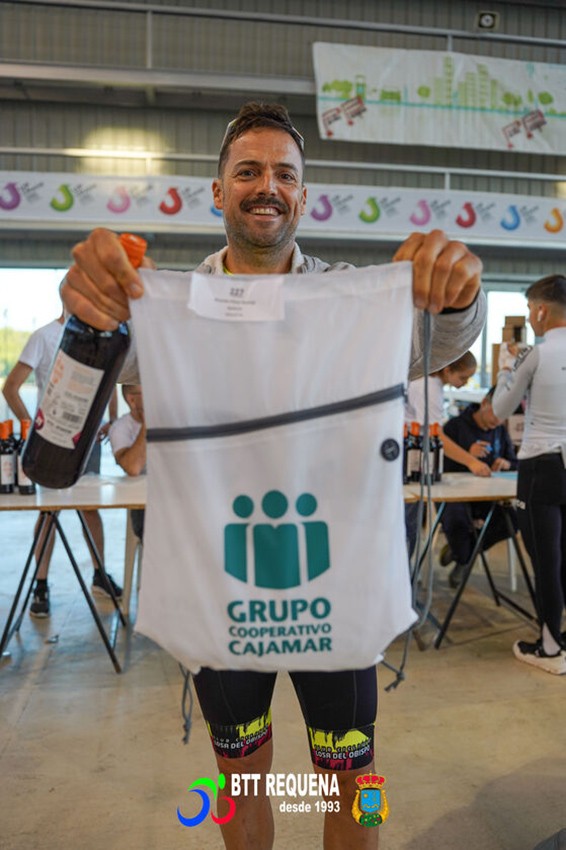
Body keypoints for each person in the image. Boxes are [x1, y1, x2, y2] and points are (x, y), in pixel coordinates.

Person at [61, 102, 486, 849]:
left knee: (358, 778)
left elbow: (444, 334)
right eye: (249, 171)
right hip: (221, 586)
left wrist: (464, 290)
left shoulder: (349, 300)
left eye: (285, 174)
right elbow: (81, 392)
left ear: (303, 193)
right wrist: (90, 314)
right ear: (218, 191)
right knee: (239, 777)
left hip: (337, 579)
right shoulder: (164, 306)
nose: (268, 186)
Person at [2, 311, 123, 618]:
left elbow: (109, 380)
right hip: (54, 442)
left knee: (90, 508)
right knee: (48, 512)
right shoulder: (43, 336)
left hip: (87, 440)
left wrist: (110, 419)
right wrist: (31, 427)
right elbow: (11, 387)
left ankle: (99, 575)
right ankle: (40, 585)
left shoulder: (100, 337)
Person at [493, 274, 566, 676]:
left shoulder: (535, 354)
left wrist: (507, 369)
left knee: (546, 559)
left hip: (541, 465)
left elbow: (500, 409)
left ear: (540, 311)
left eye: (528, 310)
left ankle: (550, 649)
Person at [404, 351, 490, 562]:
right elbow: (436, 436)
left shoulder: (429, 384)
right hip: (408, 458)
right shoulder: (429, 387)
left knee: (410, 524)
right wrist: (472, 462)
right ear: (448, 369)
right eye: (463, 377)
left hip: (409, 455)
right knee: (408, 525)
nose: (465, 383)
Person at [439, 387, 518, 587]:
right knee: (457, 522)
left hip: (488, 496)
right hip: (455, 494)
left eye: (504, 417)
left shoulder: (499, 431)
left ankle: (461, 555)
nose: (498, 421)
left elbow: (514, 462)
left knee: (513, 520)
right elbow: (439, 466)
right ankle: (463, 557)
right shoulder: (455, 426)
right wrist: (467, 455)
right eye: (496, 414)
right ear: (484, 403)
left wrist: (505, 463)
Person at [109, 383, 146, 540]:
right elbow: (133, 468)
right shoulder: (120, 428)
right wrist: (149, 424)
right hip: (145, 508)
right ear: (132, 400)